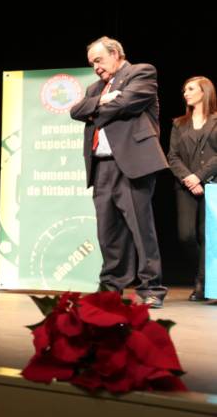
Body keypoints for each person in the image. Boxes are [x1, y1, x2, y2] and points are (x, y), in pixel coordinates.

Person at [69, 36, 169, 307]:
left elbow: (125, 104)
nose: (96, 68)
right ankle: (111, 289)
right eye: (92, 64)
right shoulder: (95, 88)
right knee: (108, 232)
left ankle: (151, 288)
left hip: (133, 163)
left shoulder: (142, 72)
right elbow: (75, 111)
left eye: (99, 60)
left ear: (115, 54)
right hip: (101, 166)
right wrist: (103, 99)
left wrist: (97, 108)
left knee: (141, 228)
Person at [167, 76, 217, 301]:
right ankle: (202, 275)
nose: (185, 93)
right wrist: (189, 178)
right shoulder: (179, 123)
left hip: (212, 185)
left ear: (204, 92)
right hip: (185, 185)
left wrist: (200, 176)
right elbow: (173, 156)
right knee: (186, 235)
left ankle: (203, 283)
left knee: (208, 236)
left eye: (190, 89)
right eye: (184, 90)